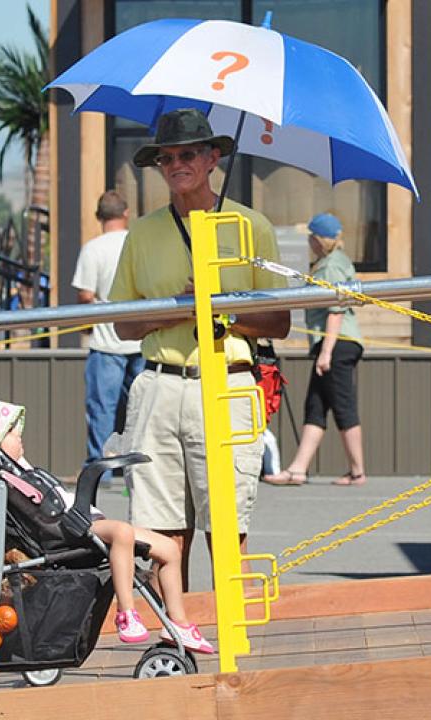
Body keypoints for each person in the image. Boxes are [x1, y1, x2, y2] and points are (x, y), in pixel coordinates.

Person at [108, 108, 290, 589]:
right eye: (166, 158)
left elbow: (280, 321)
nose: (176, 165)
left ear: (212, 158)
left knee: (228, 525)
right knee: (161, 529)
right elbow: (123, 325)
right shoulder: (143, 232)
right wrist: (183, 309)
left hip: (227, 383)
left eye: (187, 154)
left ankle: (237, 638)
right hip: (159, 385)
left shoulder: (252, 226)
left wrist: (219, 312)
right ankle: (179, 639)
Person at [0, 401, 213, 653]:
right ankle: (126, 613)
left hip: (82, 519)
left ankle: (179, 625)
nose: (20, 436)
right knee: (122, 533)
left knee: (170, 548)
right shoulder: (5, 479)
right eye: (12, 432)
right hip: (67, 529)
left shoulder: (20, 472)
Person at [263, 213, 367, 487]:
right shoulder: (334, 262)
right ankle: (298, 469)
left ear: (318, 239)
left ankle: (358, 471)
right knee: (317, 405)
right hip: (336, 343)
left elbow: (336, 310)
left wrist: (326, 353)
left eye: (311, 236)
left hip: (336, 343)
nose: (308, 241)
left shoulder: (331, 267)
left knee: (343, 405)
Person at [72, 190, 144, 477]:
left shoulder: (93, 248)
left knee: (103, 410)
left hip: (106, 341)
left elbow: (86, 294)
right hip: (142, 338)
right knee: (141, 410)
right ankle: (138, 468)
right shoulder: (139, 243)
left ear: (99, 217)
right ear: (126, 213)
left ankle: (100, 471)